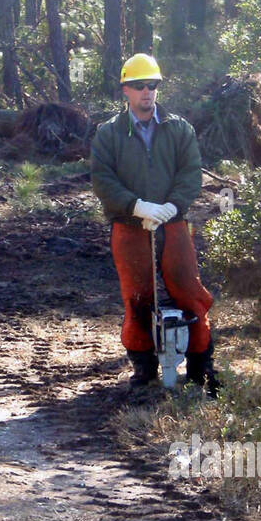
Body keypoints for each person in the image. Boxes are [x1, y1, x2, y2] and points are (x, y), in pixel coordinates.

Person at [90, 53, 219, 395]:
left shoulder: (179, 129)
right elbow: (103, 180)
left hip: (174, 225)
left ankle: (200, 367)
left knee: (190, 293)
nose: (146, 92)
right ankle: (144, 370)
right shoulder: (109, 134)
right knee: (137, 298)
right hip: (129, 227)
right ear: (125, 90)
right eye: (138, 86)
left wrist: (172, 207)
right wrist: (136, 207)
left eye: (152, 85)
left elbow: (190, 173)